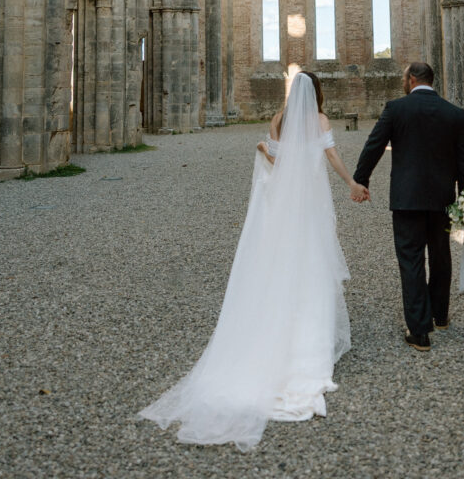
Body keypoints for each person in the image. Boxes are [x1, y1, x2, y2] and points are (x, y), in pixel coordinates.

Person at [138, 70, 366, 450]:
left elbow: (277, 166)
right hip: (312, 205)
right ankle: (311, 344)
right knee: (314, 265)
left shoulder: (279, 120)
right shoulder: (321, 120)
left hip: (286, 208)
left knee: (284, 263)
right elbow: (332, 157)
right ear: (318, 94)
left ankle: (279, 329)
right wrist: (353, 184)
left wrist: (264, 150)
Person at [352, 61, 464, 352]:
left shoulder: (396, 108)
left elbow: (374, 145)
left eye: (404, 77)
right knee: (441, 255)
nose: (403, 81)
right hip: (442, 198)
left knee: (411, 259)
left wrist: (360, 179)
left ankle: (419, 331)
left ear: (412, 79)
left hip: (407, 198)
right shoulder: (454, 114)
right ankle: (440, 315)